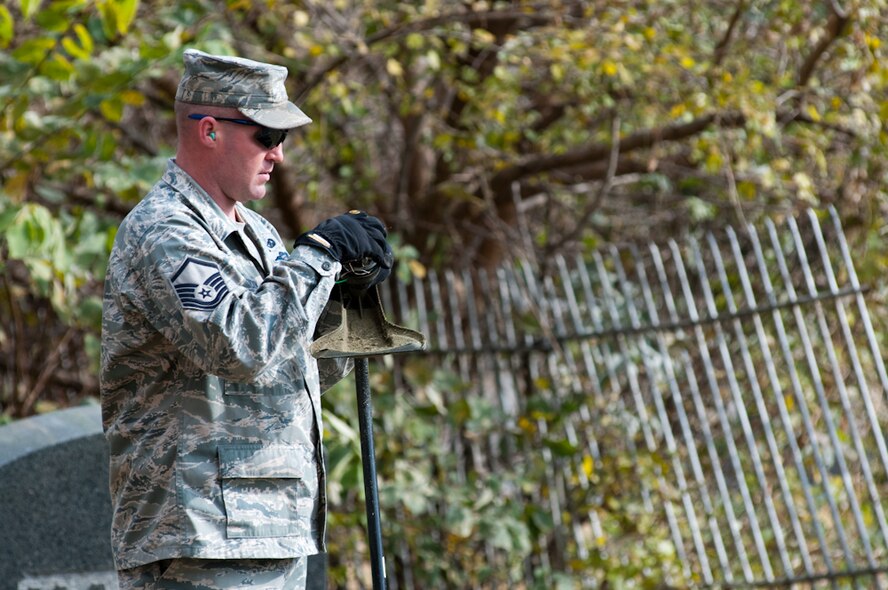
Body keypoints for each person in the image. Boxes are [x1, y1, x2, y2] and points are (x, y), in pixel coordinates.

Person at [101, 49, 392, 589]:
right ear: (209, 131)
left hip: (271, 528)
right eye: (266, 136)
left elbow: (299, 369)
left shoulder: (257, 233)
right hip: (198, 536)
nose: (278, 155)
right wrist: (319, 255)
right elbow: (239, 346)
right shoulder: (164, 231)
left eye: (283, 139)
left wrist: (342, 294)